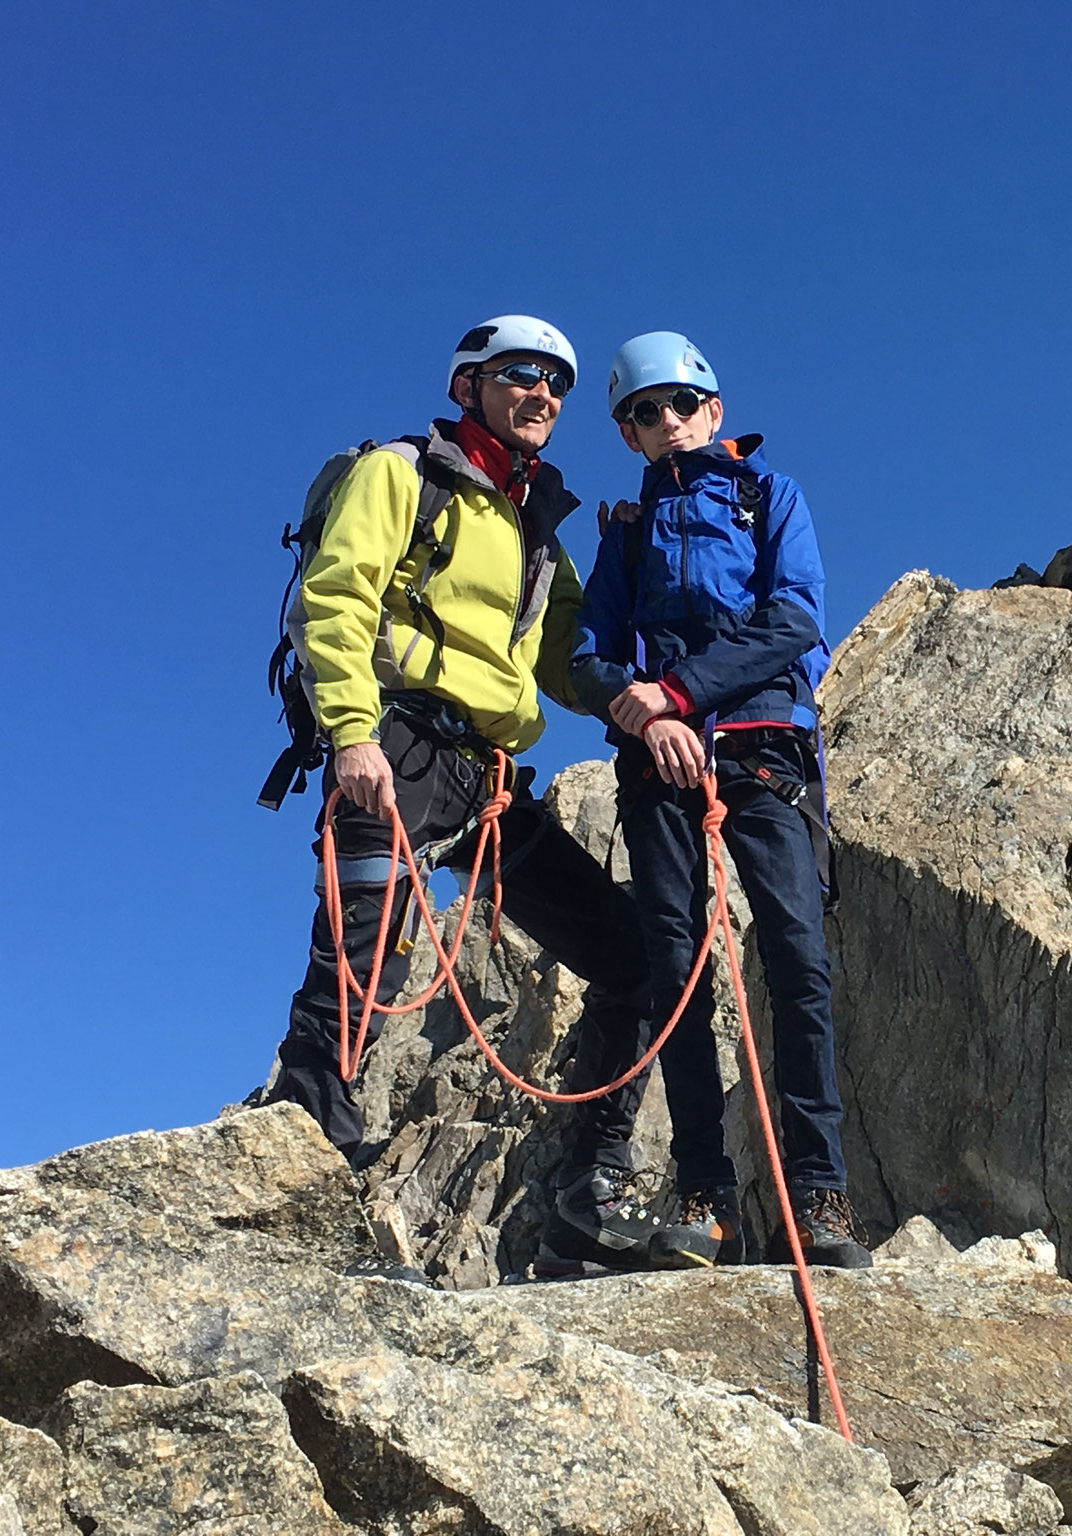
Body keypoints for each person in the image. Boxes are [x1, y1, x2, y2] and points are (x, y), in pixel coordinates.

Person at [269, 315, 670, 1274]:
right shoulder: (403, 473)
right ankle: (302, 1190)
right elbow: (336, 596)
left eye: (557, 383)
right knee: (359, 969)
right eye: (521, 374)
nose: (542, 394)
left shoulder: (538, 522)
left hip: (485, 775)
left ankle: (588, 1186)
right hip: (397, 742)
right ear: (470, 387)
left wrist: (645, 706)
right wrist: (353, 733)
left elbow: (571, 657)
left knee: (631, 961)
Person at [558, 330, 869, 1270]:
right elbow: (585, 654)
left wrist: (678, 693)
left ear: (714, 411)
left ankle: (820, 1197)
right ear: (628, 434)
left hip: (762, 747)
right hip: (660, 762)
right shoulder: (623, 534)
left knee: (798, 960)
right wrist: (642, 713)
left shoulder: (769, 496)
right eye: (643, 413)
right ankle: (707, 1195)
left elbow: (796, 617)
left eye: (680, 405)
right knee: (679, 972)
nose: (667, 423)